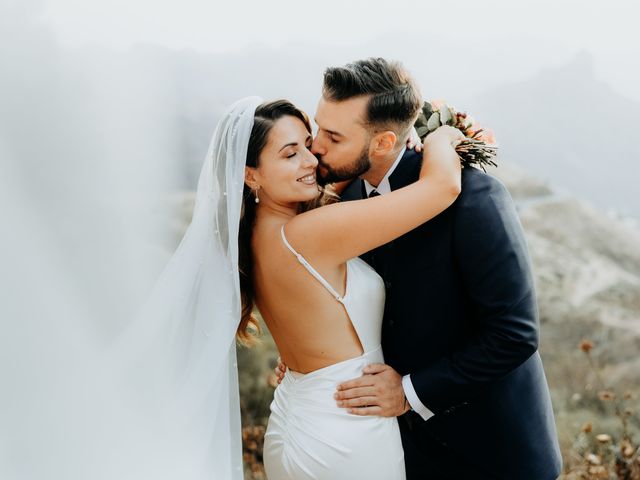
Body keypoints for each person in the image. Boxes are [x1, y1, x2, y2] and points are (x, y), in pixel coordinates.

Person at [284, 57, 561, 479]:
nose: (315, 145)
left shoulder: (475, 199)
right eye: (319, 126)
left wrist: (409, 393)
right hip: (401, 452)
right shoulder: (345, 202)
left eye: (333, 136)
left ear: (382, 143)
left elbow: (514, 334)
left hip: (496, 452)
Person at [242, 96, 462, 479]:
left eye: (308, 146)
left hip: (295, 420)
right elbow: (443, 186)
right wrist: (443, 133)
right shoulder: (309, 234)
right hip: (347, 431)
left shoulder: (256, 236)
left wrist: (392, 136)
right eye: (290, 154)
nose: (311, 161)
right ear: (250, 175)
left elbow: (332, 180)